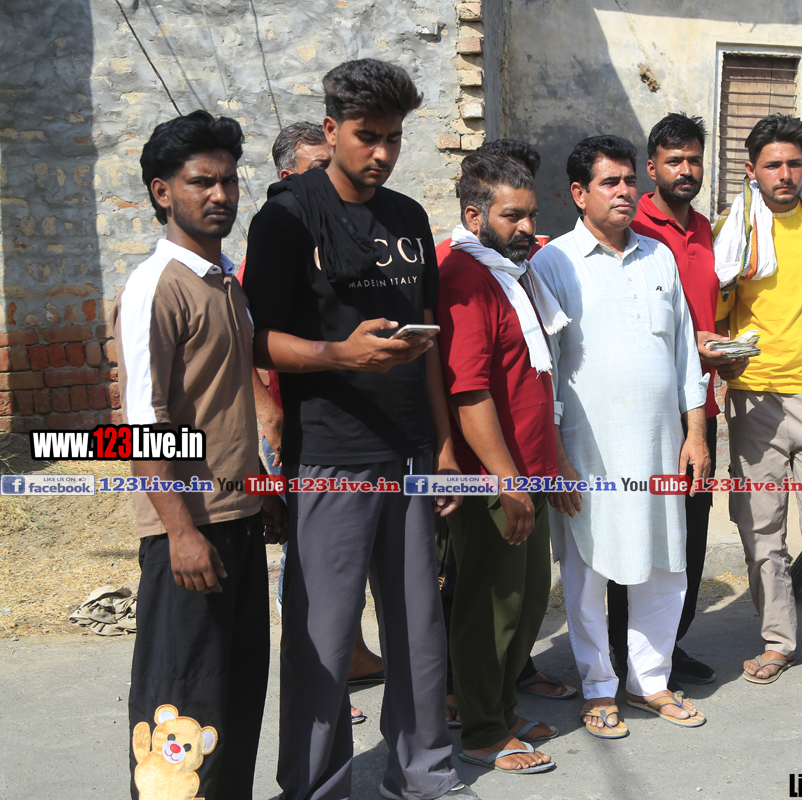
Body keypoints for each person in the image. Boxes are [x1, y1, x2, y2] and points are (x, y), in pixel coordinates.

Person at [242, 59, 473, 799]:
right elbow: (255, 340)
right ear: (331, 128)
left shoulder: (408, 218)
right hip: (330, 457)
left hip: (409, 453)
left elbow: (428, 342)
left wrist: (443, 447)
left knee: (418, 631)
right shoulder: (286, 218)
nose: (381, 153)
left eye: (394, 138)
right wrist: (338, 355)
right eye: (367, 136)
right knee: (324, 638)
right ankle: (316, 787)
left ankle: (422, 774)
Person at [116, 109, 286, 800]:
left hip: (237, 518)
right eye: (201, 182)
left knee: (235, 701)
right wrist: (180, 531)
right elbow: (140, 423)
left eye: (229, 181)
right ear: (163, 192)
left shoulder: (225, 283)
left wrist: (261, 490)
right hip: (187, 531)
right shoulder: (155, 286)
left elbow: (228, 403)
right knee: (180, 706)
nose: (220, 195)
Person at [531, 135, 710, 738]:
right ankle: (598, 687)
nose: (626, 191)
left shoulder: (658, 256)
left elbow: (685, 352)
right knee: (588, 571)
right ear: (579, 194)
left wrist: (695, 432)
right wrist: (555, 454)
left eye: (630, 180)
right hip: (589, 450)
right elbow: (546, 367)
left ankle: (649, 681)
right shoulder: (553, 263)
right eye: (610, 182)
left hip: (661, 443)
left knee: (665, 564)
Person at [236, 121, 384, 728]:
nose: (333, 175)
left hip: (345, 423)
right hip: (291, 423)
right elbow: (246, 341)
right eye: (318, 166)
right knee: (307, 553)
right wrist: (266, 413)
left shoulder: (344, 234)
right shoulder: (279, 236)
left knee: (347, 555)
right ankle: (320, 675)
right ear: (286, 175)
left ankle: (351, 654)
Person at [433, 138, 577, 713]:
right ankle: (484, 730)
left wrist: (552, 461)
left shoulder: (511, 273)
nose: (527, 228)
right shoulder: (466, 278)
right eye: (512, 216)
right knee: (490, 610)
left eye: (531, 215)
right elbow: (468, 392)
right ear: (475, 217)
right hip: (495, 478)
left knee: (525, 602)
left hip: (529, 470)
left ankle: (500, 714)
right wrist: (507, 480)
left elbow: (535, 378)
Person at [607, 112, 747, 690]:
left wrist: (725, 351)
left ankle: (666, 643)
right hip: (643, 413)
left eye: (694, 160)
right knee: (639, 536)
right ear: (652, 167)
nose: (685, 170)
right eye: (674, 161)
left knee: (688, 537)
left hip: (698, 410)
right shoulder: (629, 225)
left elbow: (707, 311)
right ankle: (621, 654)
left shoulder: (708, 230)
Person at [712, 114, 802, 689]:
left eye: (794, 163)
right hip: (754, 400)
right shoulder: (733, 232)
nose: (784, 174)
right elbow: (716, 310)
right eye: (773, 165)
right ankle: (777, 641)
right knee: (761, 530)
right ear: (752, 170)